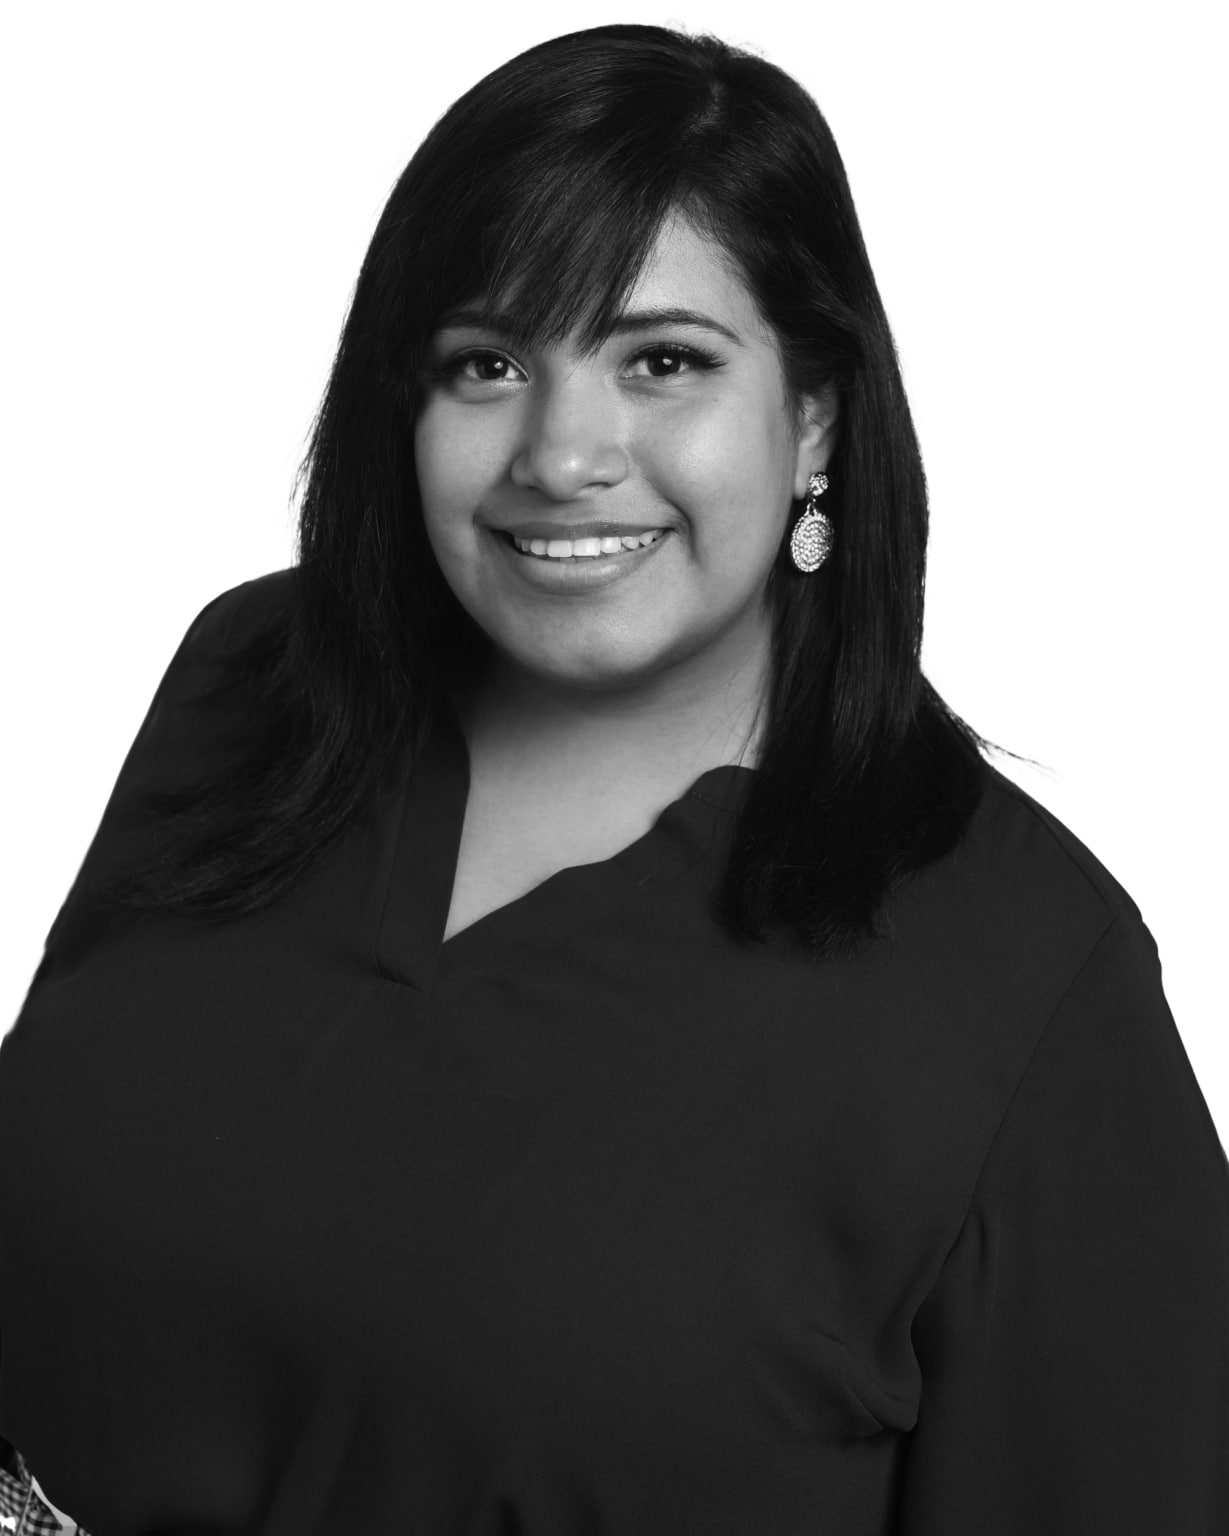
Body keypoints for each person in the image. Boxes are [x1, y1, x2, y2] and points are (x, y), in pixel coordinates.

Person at [1, 21, 1226, 1535]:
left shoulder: (1031, 986)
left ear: (816, 416)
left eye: (663, 361)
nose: (562, 453)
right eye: (488, 362)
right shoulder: (253, 683)